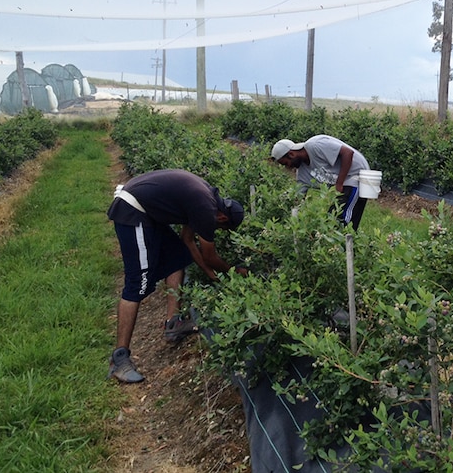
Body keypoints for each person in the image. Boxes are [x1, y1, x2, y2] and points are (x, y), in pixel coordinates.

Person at [106, 169, 246, 383]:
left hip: (147, 211)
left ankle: (173, 323)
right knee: (137, 284)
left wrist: (210, 274)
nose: (216, 230)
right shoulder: (206, 209)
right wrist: (233, 273)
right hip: (133, 211)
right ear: (222, 217)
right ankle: (120, 359)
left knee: (178, 258)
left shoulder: (206, 199)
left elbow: (187, 241)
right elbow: (210, 256)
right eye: (221, 228)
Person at [271, 134, 370, 230]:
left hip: (356, 175)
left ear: (291, 154)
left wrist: (339, 184)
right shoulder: (303, 173)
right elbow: (298, 197)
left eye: (285, 163)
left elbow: (347, 153)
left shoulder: (315, 145)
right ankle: (347, 244)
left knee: (341, 220)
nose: (287, 167)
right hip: (344, 183)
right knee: (332, 219)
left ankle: (347, 243)